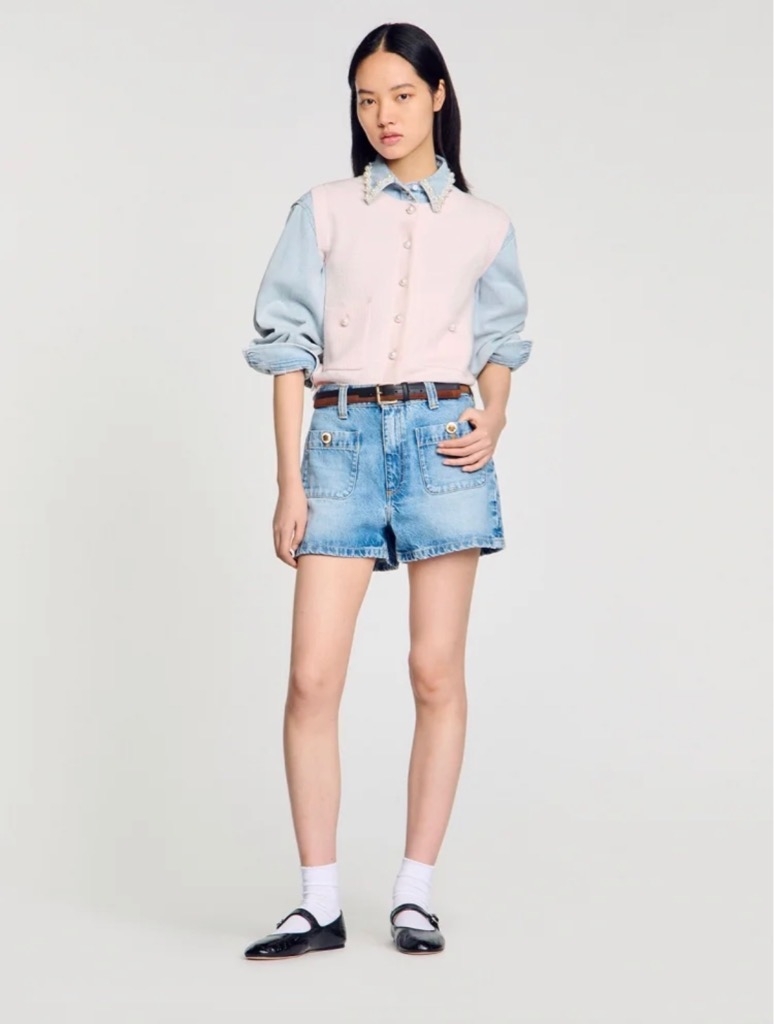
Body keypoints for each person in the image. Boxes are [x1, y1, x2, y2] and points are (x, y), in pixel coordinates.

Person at [240, 22, 533, 959]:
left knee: (435, 672)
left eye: (402, 95)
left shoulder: (485, 225)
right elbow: (287, 347)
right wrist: (289, 480)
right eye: (367, 99)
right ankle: (318, 903)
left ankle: (414, 895)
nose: (384, 116)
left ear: (438, 95)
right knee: (311, 677)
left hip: (444, 442)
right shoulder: (324, 210)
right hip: (340, 443)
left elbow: (501, 343)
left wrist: (495, 414)